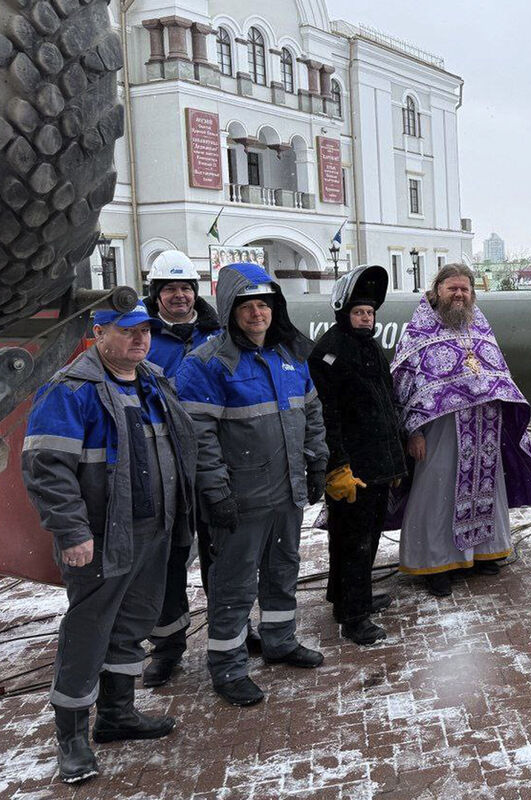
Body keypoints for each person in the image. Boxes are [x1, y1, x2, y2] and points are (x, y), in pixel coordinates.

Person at [22, 301, 197, 784]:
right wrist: (72, 531)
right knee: (89, 632)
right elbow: (46, 469)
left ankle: (117, 715)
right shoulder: (70, 390)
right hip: (101, 538)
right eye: (127, 331)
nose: (140, 339)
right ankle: (72, 739)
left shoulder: (153, 381)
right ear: (99, 334)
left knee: (132, 623)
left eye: (145, 331)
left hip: (155, 529)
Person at [175, 263, 328, 707]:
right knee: (234, 583)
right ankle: (227, 666)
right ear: (230, 310)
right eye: (247, 306)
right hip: (240, 499)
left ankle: (279, 640)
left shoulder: (289, 355)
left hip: (286, 492)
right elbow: (198, 438)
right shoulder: (206, 364)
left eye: (264, 304)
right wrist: (216, 491)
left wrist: (317, 462)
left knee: (283, 569)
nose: (257, 313)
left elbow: (312, 413)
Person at [390, 264, 531, 597]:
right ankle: (435, 564)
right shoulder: (419, 331)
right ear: (438, 290)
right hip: (439, 429)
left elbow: (497, 372)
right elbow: (403, 386)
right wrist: (412, 432)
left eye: (464, 289)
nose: (459, 295)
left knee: (485, 488)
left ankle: (481, 553)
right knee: (436, 494)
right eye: (453, 289)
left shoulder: (479, 324)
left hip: (483, 426)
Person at [309, 265, 407, 644]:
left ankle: (349, 596)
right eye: (359, 312)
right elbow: (326, 416)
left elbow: (386, 406)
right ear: (343, 313)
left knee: (367, 536)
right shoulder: (329, 353)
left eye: (370, 312)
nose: (366, 318)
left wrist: (394, 460)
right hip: (351, 466)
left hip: (376, 463)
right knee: (353, 540)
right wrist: (336, 467)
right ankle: (354, 617)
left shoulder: (370, 348)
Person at [139, 249, 223, 688]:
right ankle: (167, 646)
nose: (179, 296)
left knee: (221, 550)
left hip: (211, 459)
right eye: (170, 289)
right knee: (167, 557)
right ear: (156, 294)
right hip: (163, 462)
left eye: (186, 288)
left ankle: (232, 628)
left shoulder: (217, 333)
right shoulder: (141, 336)